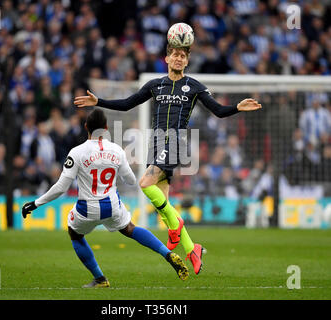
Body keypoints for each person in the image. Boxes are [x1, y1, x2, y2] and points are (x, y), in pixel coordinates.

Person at [74, 44, 262, 274]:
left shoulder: (194, 86)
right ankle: (192, 248)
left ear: (187, 61)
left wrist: (237, 108)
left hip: (174, 142)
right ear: (167, 58)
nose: (178, 58)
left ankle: (176, 225)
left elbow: (219, 111)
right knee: (164, 204)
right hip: (155, 143)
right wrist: (99, 102)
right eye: (175, 54)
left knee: (144, 184)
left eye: (183, 56)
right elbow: (127, 104)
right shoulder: (155, 85)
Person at [21, 109, 189, 288]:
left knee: (75, 234)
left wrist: (35, 203)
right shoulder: (116, 150)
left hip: (88, 208)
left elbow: (61, 187)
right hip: (112, 206)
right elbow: (131, 181)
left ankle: (100, 278)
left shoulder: (77, 152)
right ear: (106, 128)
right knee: (130, 228)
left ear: (86, 127)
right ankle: (167, 254)